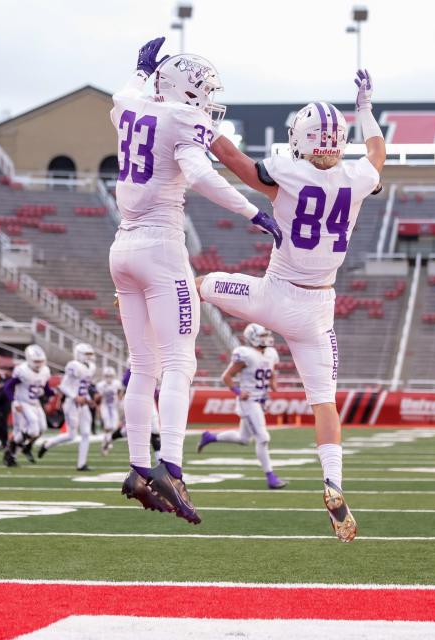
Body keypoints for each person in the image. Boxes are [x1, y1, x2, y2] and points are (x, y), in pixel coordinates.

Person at [198, 70, 386, 542]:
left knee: (199, 283)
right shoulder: (359, 177)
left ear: (299, 139)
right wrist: (365, 109)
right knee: (325, 404)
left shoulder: (287, 169)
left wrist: (198, 120)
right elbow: (377, 155)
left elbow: (233, 161)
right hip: (318, 312)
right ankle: (332, 483)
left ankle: (134, 299)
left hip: (273, 296)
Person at [108, 37, 282, 524]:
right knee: (180, 362)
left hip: (121, 248)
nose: (208, 98)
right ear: (187, 89)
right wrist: (254, 213)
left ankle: (138, 467)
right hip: (161, 247)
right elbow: (202, 177)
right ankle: (172, 468)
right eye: (203, 89)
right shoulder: (183, 119)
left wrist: (140, 70)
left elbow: (125, 93)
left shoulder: (128, 106)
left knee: (143, 365)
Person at [197, 324, 285, 489]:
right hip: (249, 401)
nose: (266, 338)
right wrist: (238, 392)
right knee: (263, 438)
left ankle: (210, 437)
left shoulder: (271, 353)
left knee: (243, 439)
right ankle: (271, 478)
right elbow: (227, 377)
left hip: (260, 400)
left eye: (267, 334)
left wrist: (273, 383)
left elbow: (271, 371)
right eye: (262, 335)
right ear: (252, 337)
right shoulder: (246, 354)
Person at [38, 343, 95, 470]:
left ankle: (81, 464)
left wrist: (89, 399)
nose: (89, 357)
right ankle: (48, 444)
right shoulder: (73, 365)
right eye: (87, 354)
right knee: (71, 435)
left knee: (86, 433)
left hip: (83, 404)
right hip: (72, 404)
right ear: (79, 354)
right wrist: (75, 397)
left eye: (90, 354)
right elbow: (62, 386)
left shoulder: (91, 367)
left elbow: (84, 387)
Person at [3, 345, 51, 467]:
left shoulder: (45, 370)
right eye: (36, 361)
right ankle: (12, 446)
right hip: (22, 402)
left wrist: (54, 392)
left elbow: (45, 387)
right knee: (33, 430)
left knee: (43, 428)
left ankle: (26, 447)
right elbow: (8, 387)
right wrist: (14, 401)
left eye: (41, 361)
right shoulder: (23, 370)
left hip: (35, 403)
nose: (39, 364)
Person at [96, 366, 123, 454]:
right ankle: (106, 444)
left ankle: (106, 441)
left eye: (110, 376)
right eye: (107, 376)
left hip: (114, 407)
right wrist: (98, 408)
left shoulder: (116, 383)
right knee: (107, 426)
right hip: (105, 406)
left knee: (114, 427)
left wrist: (120, 403)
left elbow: (119, 394)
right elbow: (98, 399)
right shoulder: (100, 385)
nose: (109, 378)